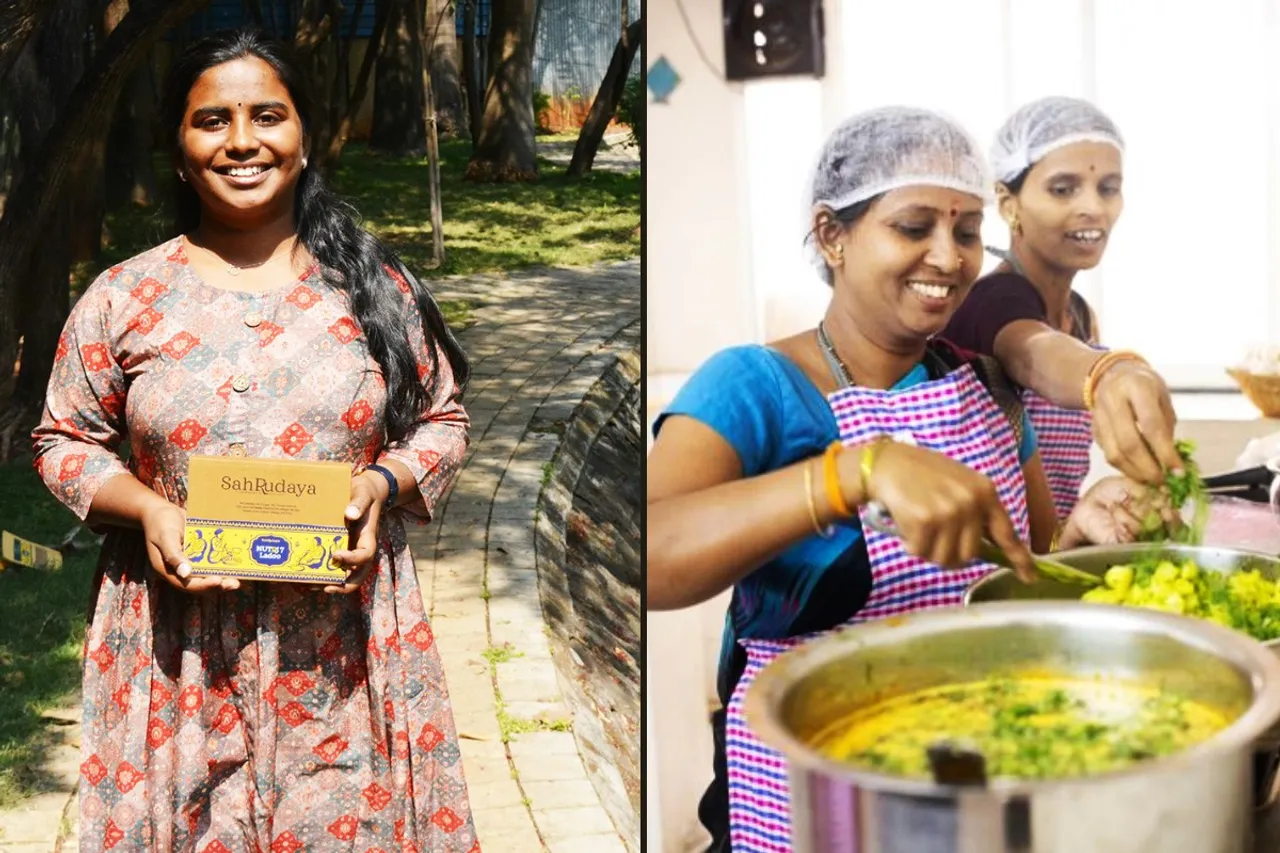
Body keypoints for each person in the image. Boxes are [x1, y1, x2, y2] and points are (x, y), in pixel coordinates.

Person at [647, 106, 1154, 853]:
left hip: (977, 770)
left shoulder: (983, 384)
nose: (948, 258)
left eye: (967, 231)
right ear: (832, 235)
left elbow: (1030, 563)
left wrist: (1081, 533)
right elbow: (652, 555)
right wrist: (853, 471)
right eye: (914, 228)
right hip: (814, 794)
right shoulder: (754, 385)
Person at [31, 27, 479, 853]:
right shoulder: (125, 296)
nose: (242, 141)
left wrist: (380, 484)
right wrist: (146, 509)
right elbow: (62, 438)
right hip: (176, 655)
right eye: (212, 121)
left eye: (267, 115)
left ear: (305, 136)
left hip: (344, 651)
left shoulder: (375, 288)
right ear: (178, 148)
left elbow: (443, 420)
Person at [944, 96, 1182, 519]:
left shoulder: (1080, 312)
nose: (1094, 207)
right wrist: (1108, 372)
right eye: (1063, 189)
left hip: (1058, 546)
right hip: (999, 563)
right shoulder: (992, 301)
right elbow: (1034, 351)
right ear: (1007, 203)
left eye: (1108, 188)